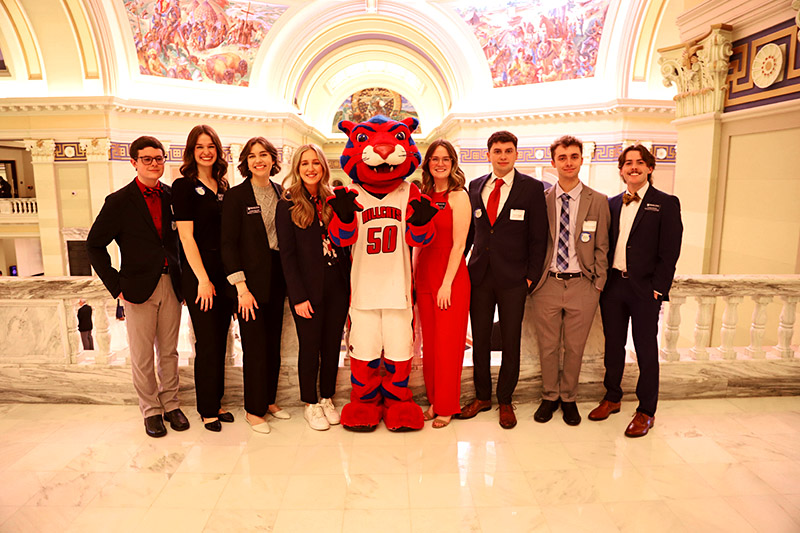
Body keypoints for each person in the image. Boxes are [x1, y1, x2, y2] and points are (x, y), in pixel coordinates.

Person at [86, 135, 189, 438]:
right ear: (133, 162)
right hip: (136, 288)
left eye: (159, 158)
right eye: (147, 159)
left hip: (172, 284)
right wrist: (115, 285)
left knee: (169, 352)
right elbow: (94, 245)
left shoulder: (172, 197)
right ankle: (151, 410)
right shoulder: (118, 201)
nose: (155, 163)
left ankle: (171, 404)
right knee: (143, 355)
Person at [589, 144, 682, 438]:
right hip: (614, 286)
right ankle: (612, 397)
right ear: (621, 170)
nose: (633, 167)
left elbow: (670, 251)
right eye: (628, 163)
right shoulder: (612, 203)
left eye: (640, 163)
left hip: (644, 290)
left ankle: (646, 410)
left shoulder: (666, 203)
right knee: (613, 346)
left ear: (650, 168)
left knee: (645, 349)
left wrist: (659, 289)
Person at [459, 130, 548, 429]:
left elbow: (539, 239)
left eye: (508, 151)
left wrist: (530, 278)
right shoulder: (475, 186)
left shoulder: (532, 188)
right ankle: (482, 396)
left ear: (516, 154)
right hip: (480, 277)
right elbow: (472, 232)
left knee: (510, 342)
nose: (502, 156)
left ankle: (505, 400)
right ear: (489, 155)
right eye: (497, 151)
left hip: (514, 280)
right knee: (480, 340)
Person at [531, 135, 609, 426]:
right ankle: (549, 396)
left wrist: (598, 283)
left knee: (575, 347)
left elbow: (602, 245)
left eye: (573, 156)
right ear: (553, 163)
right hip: (547, 284)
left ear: (581, 160)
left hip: (583, 284)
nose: (568, 162)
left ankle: (569, 398)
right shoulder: (541, 200)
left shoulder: (598, 201)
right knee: (548, 346)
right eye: (562, 158)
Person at [276, 144, 350, 431]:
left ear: (323, 167)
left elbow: (346, 245)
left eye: (315, 163)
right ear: (297, 168)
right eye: (305, 163)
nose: (310, 168)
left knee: (332, 346)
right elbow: (287, 254)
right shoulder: (289, 203)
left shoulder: (336, 198)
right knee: (310, 347)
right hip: (307, 290)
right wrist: (297, 296)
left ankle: (327, 397)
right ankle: (310, 403)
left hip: (337, 286)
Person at [221, 136, 289, 434]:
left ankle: (269, 400)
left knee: (273, 344)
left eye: (263, 155)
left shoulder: (281, 192)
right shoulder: (236, 196)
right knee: (254, 347)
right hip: (248, 285)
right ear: (245, 162)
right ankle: (253, 409)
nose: (258, 160)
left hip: (278, 279)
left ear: (273, 160)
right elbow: (228, 245)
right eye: (252, 156)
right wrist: (241, 288)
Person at [173, 125, 236, 432]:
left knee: (221, 341)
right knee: (207, 343)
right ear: (191, 151)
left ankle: (218, 400)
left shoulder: (223, 184)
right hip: (201, 274)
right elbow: (186, 237)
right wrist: (202, 279)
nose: (206, 151)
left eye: (211, 146)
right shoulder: (183, 186)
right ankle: (206, 408)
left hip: (225, 273)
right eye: (200, 147)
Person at [414, 140, 470, 429]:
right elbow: (417, 243)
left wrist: (446, 283)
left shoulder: (458, 196)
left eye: (445, 159)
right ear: (428, 164)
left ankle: (448, 406)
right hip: (424, 275)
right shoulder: (422, 194)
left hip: (450, 279)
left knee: (448, 344)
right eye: (435, 158)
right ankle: (435, 401)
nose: (440, 163)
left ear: (453, 163)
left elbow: (459, 244)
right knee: (431, 346)